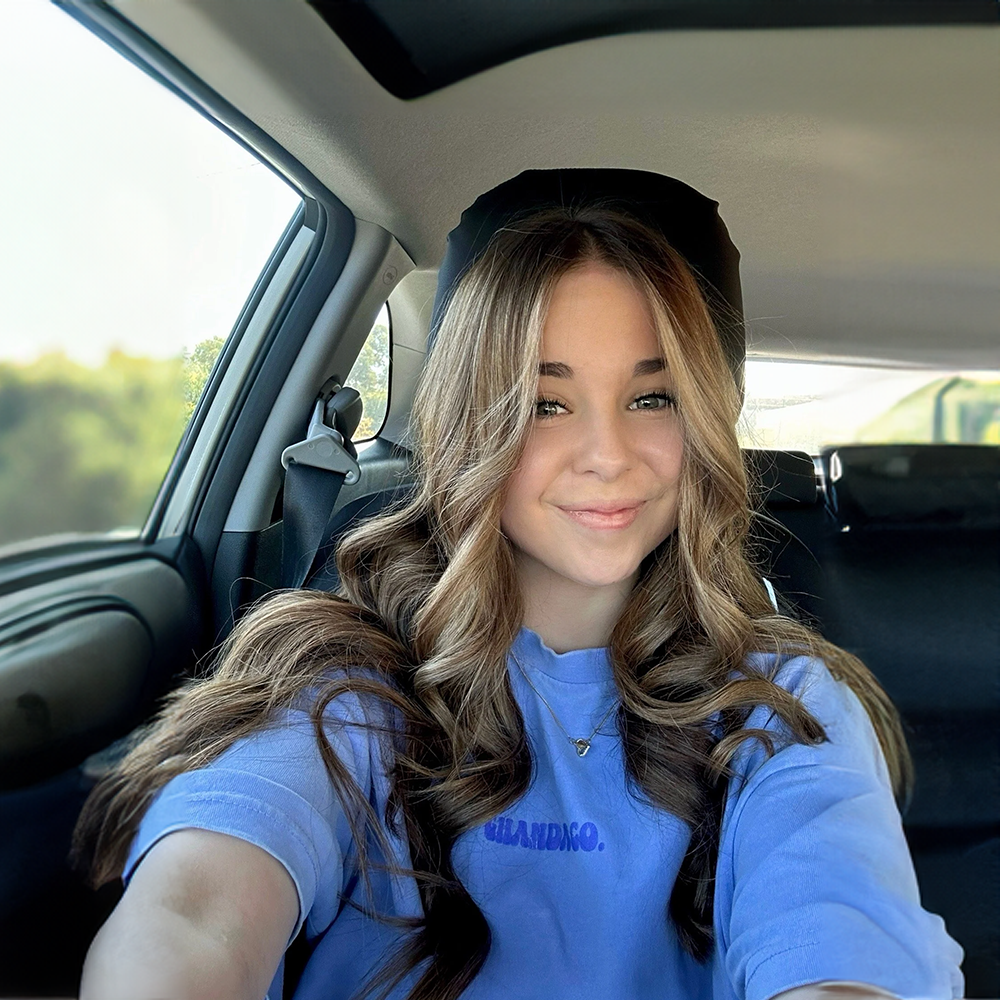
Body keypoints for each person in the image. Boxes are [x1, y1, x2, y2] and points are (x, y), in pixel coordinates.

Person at [75, 171, 964, 1000]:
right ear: (473, 421)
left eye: (652, 399)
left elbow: (836, 943)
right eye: (547, 403)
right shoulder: (348, 685)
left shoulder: (784, 708)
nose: (608, 456)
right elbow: (193, 916)